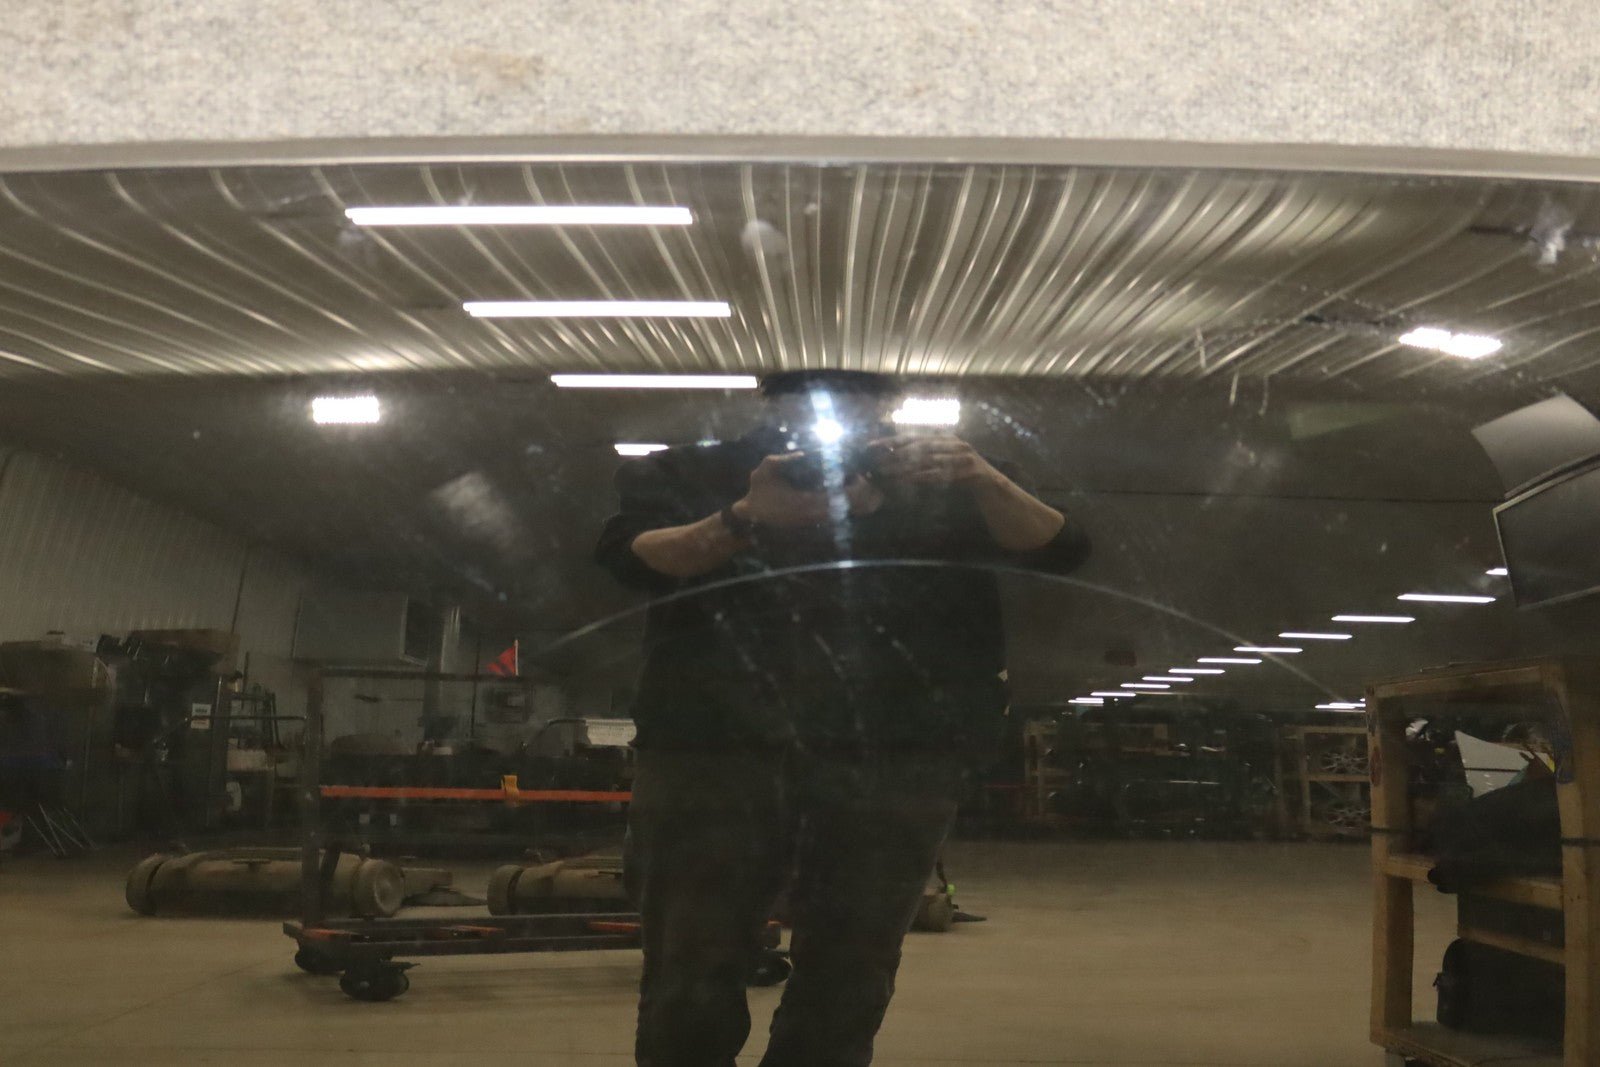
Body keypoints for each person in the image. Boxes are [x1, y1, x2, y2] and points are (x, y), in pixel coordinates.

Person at [595, 370, 1089, 1067]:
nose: (838, 418)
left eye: (863, 399)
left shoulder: (946, 479)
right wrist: (744, 516)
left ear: (891, 406)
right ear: (772, 403)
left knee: (854, 960)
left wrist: (983, 477)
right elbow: (633, 558)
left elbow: (1062, 547)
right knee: (692, 956)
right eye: (814, 398)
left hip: (897, 747)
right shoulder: (694, 469)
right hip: (717, 745)